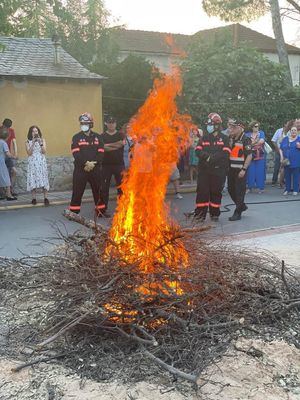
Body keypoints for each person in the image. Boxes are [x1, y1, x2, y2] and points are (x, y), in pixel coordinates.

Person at [194, 112, 230, 222]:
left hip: (218, 171)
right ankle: (200, 215)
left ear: (217, 125)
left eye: (210, 124)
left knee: (216, 192)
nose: (208, 126)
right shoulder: (204, 138)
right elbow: (198, 150)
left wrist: (212, 158)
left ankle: (215, 214)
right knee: (202, 192)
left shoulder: (224, 138)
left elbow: (226, 152)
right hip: (204, 171)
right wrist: (207, 157)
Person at [69, 113, 106, 216]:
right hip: (81, 169)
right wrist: (86, 163)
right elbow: (76, 153)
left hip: (95, 169)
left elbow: (101, 152)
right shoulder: (76, 137)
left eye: (85, 123)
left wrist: (93, 163)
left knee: (98, 191)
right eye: (82, 123)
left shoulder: (98, 137)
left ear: (91, 124)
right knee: (77, 190)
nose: (83, 125)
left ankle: (101, 211)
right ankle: (74, 212)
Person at [227, 119, 253, 221]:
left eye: (234, 127)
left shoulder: (246, 139)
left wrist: (244, 169)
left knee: (239, 191)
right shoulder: (231, 138)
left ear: (240, 128)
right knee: (230, 189)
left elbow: (249, 155)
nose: (231, 129)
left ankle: (237, 212)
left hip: (240, 170)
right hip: (231, 170)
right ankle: (241, 206)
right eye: (231, 127)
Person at [101, 116, 125, 213]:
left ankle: (122, 208)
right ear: (106, 124)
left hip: (119, 165)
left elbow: (122, 144)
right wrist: (116, 145)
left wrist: (108, 145)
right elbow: (103, 148)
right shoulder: (102, 136)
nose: (111, 124)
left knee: (121, 188)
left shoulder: (121, 135)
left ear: (116, 123)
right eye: (109, 122)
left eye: (113, 122)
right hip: (106, 165)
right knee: (104, 188)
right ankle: (103, 209)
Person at [26, 126, 50, 205]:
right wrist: (32, 143)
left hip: (41, 161)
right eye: (33, 131)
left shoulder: (42, 140)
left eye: (36, 131)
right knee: (33, 178)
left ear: (38, 132)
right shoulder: (27, 142)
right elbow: (29, 153)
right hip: (32, 162)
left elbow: (44, 151)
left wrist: (40, 143)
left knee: (43, 178)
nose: (35, 133)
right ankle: (34, 198)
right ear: (30, 133)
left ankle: (45, 198)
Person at [271, 120, 293, 187]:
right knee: (277, 166)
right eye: (288, 124)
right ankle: (274, 181)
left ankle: (283, 181)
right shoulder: (279, 131)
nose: (289, 125)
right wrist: (277, 150)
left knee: (286, 166)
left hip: (286, 152)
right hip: (278, 151)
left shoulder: (290, 132)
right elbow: (273, 141)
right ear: (284, 124)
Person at [245, 121, 265, 194]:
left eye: (258, 126)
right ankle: (250, 188)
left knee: (260, 172)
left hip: (260, 155)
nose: (257, 128)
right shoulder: (247, 135)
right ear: (252, 127)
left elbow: (261, 142)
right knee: (250, 171)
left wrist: (251, 144)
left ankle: (261, 188)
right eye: (255, 126)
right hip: (251, 155)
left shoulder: (261, 133)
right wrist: (255, 142)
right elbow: (246, 145)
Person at [280, 125, 300, 196]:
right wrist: (281, 157)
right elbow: (281, 149)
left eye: (295, 130)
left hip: (297, 161)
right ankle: (287, 189)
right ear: (290, 131)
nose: (293, 131)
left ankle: (295, 190)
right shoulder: (285, 139)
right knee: (287, 175)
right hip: (287, 161)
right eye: (292, 130)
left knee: (296, 176)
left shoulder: (299, 139)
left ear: (297, 132)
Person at [0, 127, 17, 201]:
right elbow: (8, 154)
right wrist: (14, 157)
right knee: (6, 177)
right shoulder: (4, 143)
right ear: (7, 137)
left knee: (0, 177)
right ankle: (9, 195)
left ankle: (1, 194)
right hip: (1, 162)